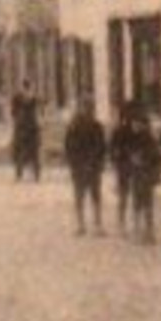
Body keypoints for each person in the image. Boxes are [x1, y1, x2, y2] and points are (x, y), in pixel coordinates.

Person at [64, 97, 108, 236]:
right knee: (83, 196)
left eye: (90, 107)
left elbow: (101, 147)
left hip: (88, 167)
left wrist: (96, 164)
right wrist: (77, 163)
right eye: (86, 107)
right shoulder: (75, 126)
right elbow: (70, 147)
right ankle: (84, 224)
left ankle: (93, 225)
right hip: (83, 167)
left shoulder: (95, 126)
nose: (88, 110)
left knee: (91, 196)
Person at [126, 106, 161, 245]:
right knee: (142, 204)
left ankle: (145, 233)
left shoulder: (147, 138)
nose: (133, 125)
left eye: (136, 123)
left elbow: (160, 155)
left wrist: (142, 160)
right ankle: (144, 232)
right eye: (133, 123)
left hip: (143, 176)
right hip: (139, 176)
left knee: (143, 205)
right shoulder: (136, 137)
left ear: (142, 124)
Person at [110, 103, 145, 233]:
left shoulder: (137, 131)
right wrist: (121, 158)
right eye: (127, 114)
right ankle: (122, 224)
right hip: (124, 167)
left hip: (135, 167)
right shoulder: (118, 131)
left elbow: (141, 146)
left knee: (135, 196)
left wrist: (138, 156)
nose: (129, 118)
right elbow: (114, 150)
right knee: (124, 197)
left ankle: (135, 224)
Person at [10, 79, 42, 182]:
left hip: (23, 128)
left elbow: (13, 112)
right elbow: (39, 110)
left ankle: (20, 174)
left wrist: (16, 118)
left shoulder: (18, 98)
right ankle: (35, 175)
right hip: (31, 128)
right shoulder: (33, 98)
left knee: (20, 151)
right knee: (34, 153)